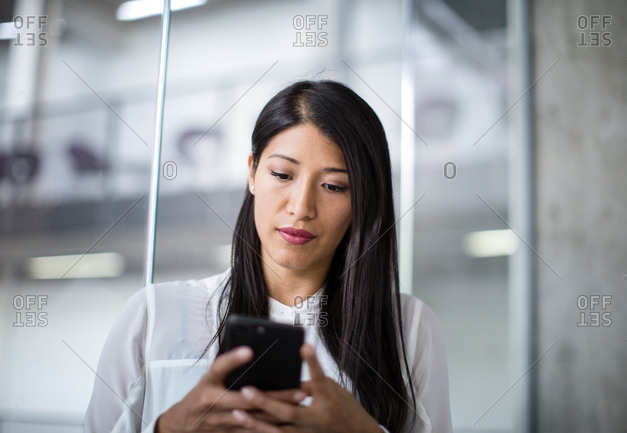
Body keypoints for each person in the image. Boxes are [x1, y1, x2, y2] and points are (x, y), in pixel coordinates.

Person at [84, 80, 452, 433]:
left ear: (362, 200)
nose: (301, 207)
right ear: (252, 173)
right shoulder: (154, 315)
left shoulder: (410, 327)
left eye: (334, 186)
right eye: (282, 174)